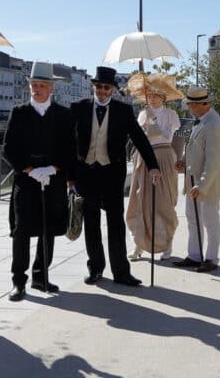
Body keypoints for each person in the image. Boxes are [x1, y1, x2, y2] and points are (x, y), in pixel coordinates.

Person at [71, 66, 160, 287]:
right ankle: (96, 268)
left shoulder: (123, 110)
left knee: (115, 224)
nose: (102, 90)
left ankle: (121, 272)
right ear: (94, 86)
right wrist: (66, 172)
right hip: (87, 173)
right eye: (99, 86)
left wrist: (153, 166)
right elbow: (65, 141)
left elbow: (140, 139)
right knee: (91, 223)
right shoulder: (78, 108)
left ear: (112, 89)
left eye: (106, 87)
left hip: (112, 173)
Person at [3, 62, 76, 301]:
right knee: (21, 231)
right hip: (26, 180)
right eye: (34, 85)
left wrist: (54, 169)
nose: (37, 89)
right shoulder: (19, 112)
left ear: (51, 87)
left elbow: (69, 148)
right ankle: (18, 282)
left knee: (49, 230)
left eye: (42, 85)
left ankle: (41, 276)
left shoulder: (64, 115)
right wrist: (29, 169)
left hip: (53, 180)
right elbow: (9, 147)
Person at [124, 73, 183, 261]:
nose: (152, 99)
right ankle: (139, 244)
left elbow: (166, 137)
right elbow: (140, 138)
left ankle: (167, 244)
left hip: (164, 155)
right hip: (144, 157)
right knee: (142, 199)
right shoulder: (142, 114)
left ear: (163, 98)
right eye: (150, 96)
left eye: (156, 96)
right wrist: (145, 121)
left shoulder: (171, 115)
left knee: (164, 201)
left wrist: (154, 121)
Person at [173, 86, 220, 273]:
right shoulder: (201, 120)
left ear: (204, 104)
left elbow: (214, 160)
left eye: (192, 105)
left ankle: (212, 258)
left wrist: (202, 185)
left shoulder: (214, 124)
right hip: (193, 180)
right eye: (189, 104)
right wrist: (184, 161)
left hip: (207, 183)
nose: (189, 108)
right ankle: (195, 255)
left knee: (210, 221)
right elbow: (197, 149)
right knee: (192, 218)